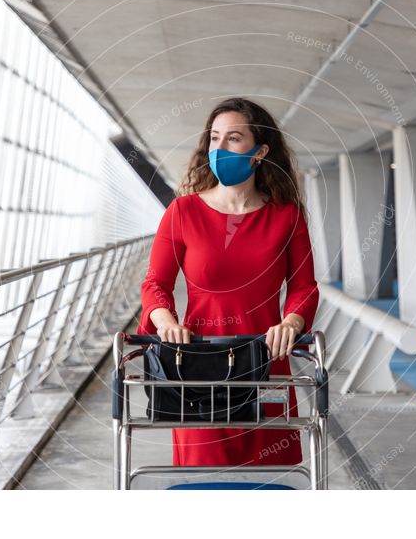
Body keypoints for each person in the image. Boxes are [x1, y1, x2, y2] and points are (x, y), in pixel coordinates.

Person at [136, 97, 320, 467]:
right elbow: (155, 283)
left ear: (259, 151)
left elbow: (304, 287)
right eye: (214, 138)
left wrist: (292, 322)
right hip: (198, 367)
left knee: (270, 481)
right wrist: (166, 322)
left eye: (233, 138)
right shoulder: (183, 212)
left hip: (267, 361)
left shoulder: (286, 217)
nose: (219, 148)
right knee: (204, 484)